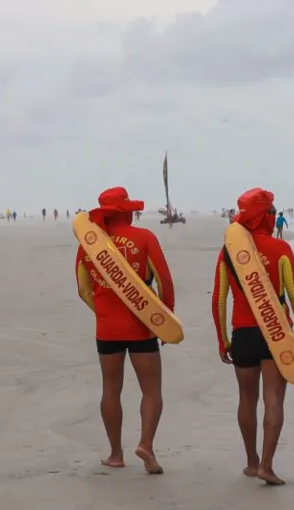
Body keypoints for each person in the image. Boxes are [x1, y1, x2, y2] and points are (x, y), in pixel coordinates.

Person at [211, 188, 294, 486]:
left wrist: (222, 339)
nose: (273, 217)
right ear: (264, 217)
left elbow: (218, 298)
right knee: (273, 400)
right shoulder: (280, 249)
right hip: (275, 334)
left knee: (246, 399)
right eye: (272, 212)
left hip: (242, 335)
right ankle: (266, 466)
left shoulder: (228, 252)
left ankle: (251, 461)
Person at [75, 187, 175, 474]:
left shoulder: (89, 244)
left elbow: (83, 290)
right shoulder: (144, 238)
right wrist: (164, 320)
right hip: (142, 327)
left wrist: (104, 312)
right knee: (151, 390)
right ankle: (145, 444)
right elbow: (164, 281)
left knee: (110, 389)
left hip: (107, 330)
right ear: (126, 211)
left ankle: (116, 454)